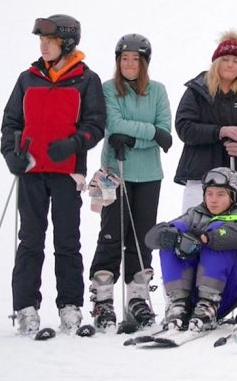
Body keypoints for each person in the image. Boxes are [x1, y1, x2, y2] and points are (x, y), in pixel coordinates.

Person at [1, 15, 106, 336]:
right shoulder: (28, 78)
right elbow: (11, 122)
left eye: (51, 42)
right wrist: (11, 154)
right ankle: (26, 308)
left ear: (68, 44)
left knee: (67, 241)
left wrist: (74, 145)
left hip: (67, 174)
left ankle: (70, 306)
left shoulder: (86, 80)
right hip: (31, 171)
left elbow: (95, 125)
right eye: (41, 42)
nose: (44, 46)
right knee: (30, 241)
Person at [87, 34, 172, 331]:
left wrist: (138, 138)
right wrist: (151, 135)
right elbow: (115, 126)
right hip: (116, 173)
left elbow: (166, 131)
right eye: (124, 58)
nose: (130, 64)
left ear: (145, 63)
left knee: (141, 238)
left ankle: (136, 298)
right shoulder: (109, 89)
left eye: (136, 59)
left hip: (149, 175)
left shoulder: (158, 91)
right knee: (112, 234)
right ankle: (103, 299)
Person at [145, 167, 237, 332]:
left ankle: (207, 307)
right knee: (172, 236)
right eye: (209, 193)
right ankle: (179, 305)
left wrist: (205, 238)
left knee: (217, 234)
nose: (213, 200)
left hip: (225, 290)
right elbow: (151, 238)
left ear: (233, 196)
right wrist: (171, 236)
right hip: (192, 289)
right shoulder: (195, 213)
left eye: (220, 194)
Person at [173, 32, 237, 211]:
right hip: (200, 177)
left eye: (236, 61)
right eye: (225, 59)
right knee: (196, 231)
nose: (230, 65)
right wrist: (219, 131)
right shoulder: (198, 90)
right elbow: (183, 127)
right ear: (216, 62)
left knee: (233, 235)